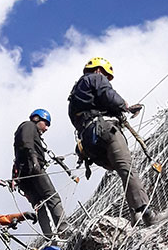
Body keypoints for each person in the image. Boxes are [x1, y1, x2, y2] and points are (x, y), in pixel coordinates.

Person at [67, 56, 162, 226]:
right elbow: (108, 95)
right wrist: (124, 106)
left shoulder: (74, 96)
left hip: (89, 142)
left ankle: (135, 215)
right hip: (105, 130)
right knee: (127, 169)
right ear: (99, 70)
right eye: (105, 75)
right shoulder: (95, 78)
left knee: (121, 170)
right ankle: (148, 215)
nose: (105, 78)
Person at [12, 108, 65, 239]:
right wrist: (35, 160)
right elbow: (27, 143)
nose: (46, 128)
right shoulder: (28, 125)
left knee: (39, 205)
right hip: (33, 170)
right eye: (45, 123)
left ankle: (49, 237)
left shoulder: (26, 131)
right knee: (52, 197)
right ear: (36, 119)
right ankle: (64, 229)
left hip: (24, 176)